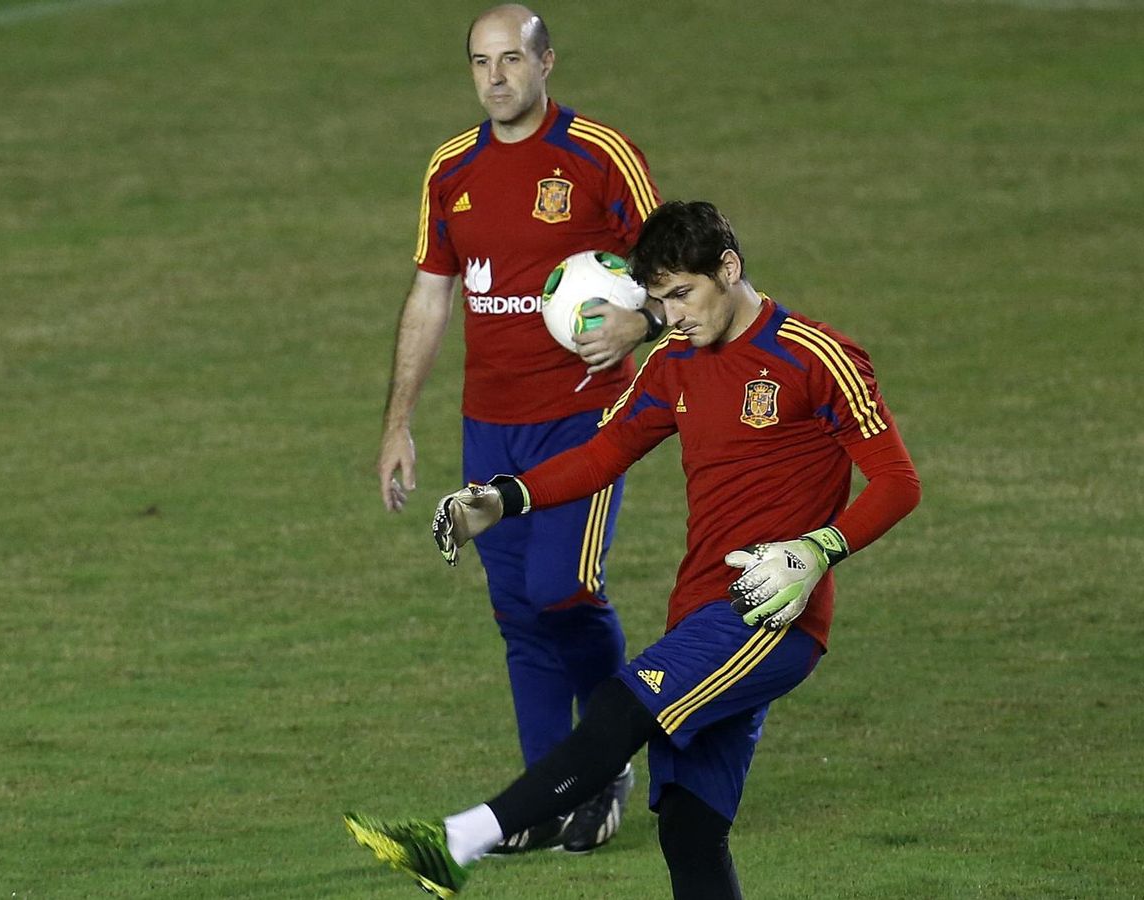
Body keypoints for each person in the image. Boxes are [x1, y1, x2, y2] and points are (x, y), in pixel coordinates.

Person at [346, 200, 922, 898]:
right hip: (699, 608)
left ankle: (453, 843)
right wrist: (504, 498)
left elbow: (897, 482)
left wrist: (816, 550)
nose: (673, 317)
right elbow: (602, 455)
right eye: (659, 301)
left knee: (621, 709)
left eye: (683, 294)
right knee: (689, 826)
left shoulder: (814, 356)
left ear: (729, 269)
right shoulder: (673, 365)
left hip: (772, 612)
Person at [374, 3, 665, 855]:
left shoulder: (600, 157)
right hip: (487, 427)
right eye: (479, 63)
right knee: (517, 613)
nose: (495, 77)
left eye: (511, 59)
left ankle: (605, 763)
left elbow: (680, 267)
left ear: (547, 64)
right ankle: (543, 798)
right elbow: (432, 295)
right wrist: (399, 423)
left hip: (583, 418)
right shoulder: (450, 168)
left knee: (562, 593)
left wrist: (641, 323)